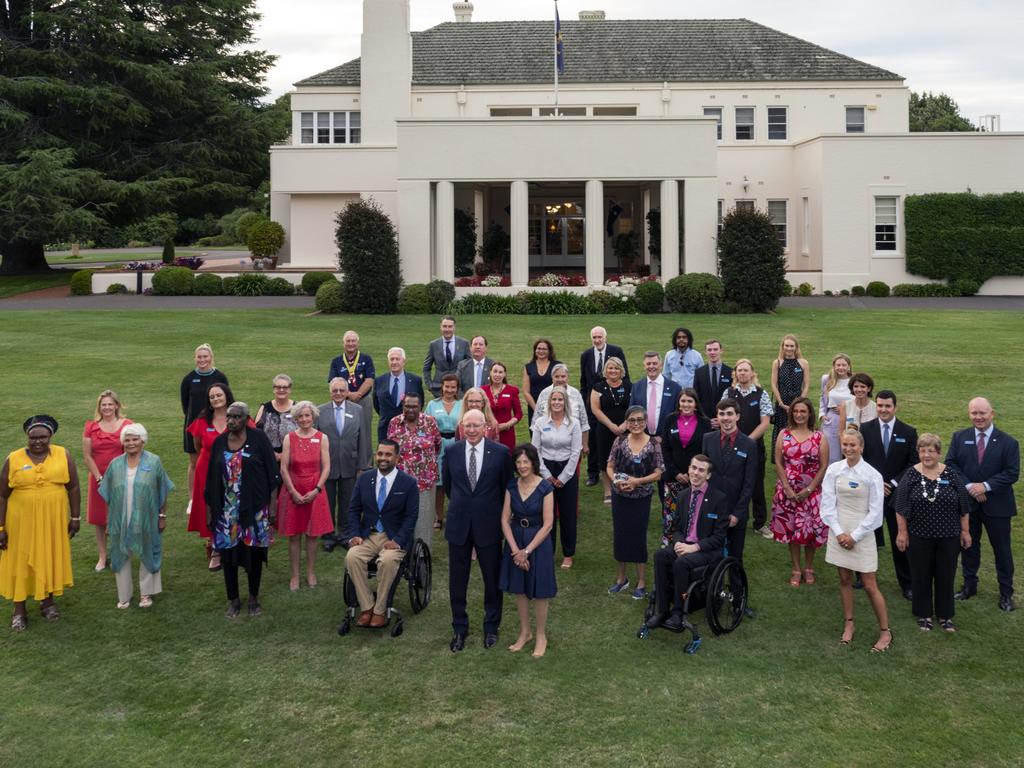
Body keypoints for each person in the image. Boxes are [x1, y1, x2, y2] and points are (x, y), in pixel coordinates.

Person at [0, 416, 80, 630]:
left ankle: (47, 603)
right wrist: (1, 527)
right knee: (21, 559)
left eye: (42, 437)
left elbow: (73, 486)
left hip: (52, 519)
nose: (37, 441)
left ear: (50, 436)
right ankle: (19, 609)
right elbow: (2, 495)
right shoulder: (13, 459)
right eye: (32, 437)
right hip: (20, 522)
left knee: (49, 554)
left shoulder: (63, 455)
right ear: (27, 437)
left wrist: (75, 517)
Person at [443, 409, 513, 652]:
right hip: (459, 525)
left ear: (486, 427)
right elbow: (450, 486)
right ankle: (459, 628)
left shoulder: (501, 453)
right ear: (461, 427)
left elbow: (506, 487)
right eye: (468, 426)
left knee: (492, 580)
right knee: (457, 581)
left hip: (489, 526)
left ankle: (491, 627)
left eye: (477, 426)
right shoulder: (452, 451)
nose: (472, 430)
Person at [205, 402, 279, 618]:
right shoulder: (219, 443)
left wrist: (272, 507)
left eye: (236, 417)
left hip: (255, 509)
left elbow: (272, 476)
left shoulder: (259, 439)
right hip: (226, 512)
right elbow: (211, 481)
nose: (231, 421)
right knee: (228, 557)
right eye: (229, 417)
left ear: (246, 419)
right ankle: (234, 600)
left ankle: (254, 598)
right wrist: (210, 511)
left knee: (254, 555)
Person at [820, 427, 891, 652]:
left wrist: (855, 536)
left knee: (870, 584)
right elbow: (827, 505)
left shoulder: (872, 475)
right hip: (839, 530)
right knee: (843, 579)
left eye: (853, 445)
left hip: (863, 533)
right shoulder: (833, 470)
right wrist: (840, 532)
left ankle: (885, 632)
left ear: (861, 447)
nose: (848, 448)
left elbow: (876, 513)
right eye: (845, 444)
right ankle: (849, 624)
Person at [946, 397, 1019, 612]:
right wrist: (970, 486)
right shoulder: (960, 437)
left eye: (982, 413)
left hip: (998, 506)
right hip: (969, 505)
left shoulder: (1008, 442)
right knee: (969, 546)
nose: (978, 417)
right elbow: (951, 464)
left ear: (992, 413)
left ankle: (1006, 593)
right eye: (974, 413)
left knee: (1002, 551)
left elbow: (1012, 473)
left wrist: (985, 486)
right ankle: (969, 586)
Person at [894, 434, 972, 632]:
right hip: (919, 535)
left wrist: (965, 532)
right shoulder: (910, 475)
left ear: (939, 453)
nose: (926, 455)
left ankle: (945, 616)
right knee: (921, 575)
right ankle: (924, 614)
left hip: (949, 536)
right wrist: (902, 533)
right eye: (922, 450)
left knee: (946, 575)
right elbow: (900, 507)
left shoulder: (951, 475)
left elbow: (964, 506)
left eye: (931, 451)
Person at [647, 455, 729, 630]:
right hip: (685, 545)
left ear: (708, 475)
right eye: (693, 468)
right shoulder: (683, 495)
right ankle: (662, 611)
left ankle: (678, 613)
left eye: (701, 470)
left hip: (706, 550)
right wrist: (677, 543)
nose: (695, 473)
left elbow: (719, 538)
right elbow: (676, 528)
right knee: (660, 555)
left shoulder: (719, 499)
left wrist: (694, 547)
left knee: (681, 563)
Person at [98, 423, 173, 609]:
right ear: (123, 442)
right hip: (120, 518)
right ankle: (124, 596)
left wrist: (162, 515)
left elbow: (162, 490)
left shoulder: (153, 462)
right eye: (127, 440)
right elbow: (108, 495)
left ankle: (146, 594)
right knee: (120, 552)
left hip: (146, 517)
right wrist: (108, 521)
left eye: (135, 439)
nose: (131, 443)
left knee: (148, 549)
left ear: (142, 441)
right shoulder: (115, 465)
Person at [344, 440, 419, 628]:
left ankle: (380, 610)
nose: (383, 458)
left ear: (397, 458)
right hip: (368, 535)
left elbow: (411, 516)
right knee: (352, 557)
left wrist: (398, 540)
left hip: (393, 536)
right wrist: (354, 534)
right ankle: (367, 606)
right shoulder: (364, 479)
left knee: (386, 561)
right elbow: (353, 510)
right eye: (380, 454)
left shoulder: (408, 483)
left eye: (388, 455)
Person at [500, 443, 557, 657]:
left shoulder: (545, 488)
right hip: (515, 540)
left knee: (540, 590)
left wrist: (527, 551)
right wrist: (516, 551)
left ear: (533, 463)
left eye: (526, 462)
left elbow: (548, 524)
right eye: (518, 462)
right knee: (519, 589)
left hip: (538, 543)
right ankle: (525, 633)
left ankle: (541, 635)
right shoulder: (511, 486)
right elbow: (504, 520)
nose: (522, 466)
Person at [860, 390, 918, 597]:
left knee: (899, 539)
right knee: (867, 537)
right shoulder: (865, 429)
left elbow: (913, 463)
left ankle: (907, 582)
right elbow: (860, 460)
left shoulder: (908, 432)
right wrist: (876, 483)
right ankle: (863, 577)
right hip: (871, 494)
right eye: (880, 406)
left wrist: (892, 483)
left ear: (895, 407)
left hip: (897, 495)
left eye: (888, 406)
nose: (883, 410)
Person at [606, 405, 664, 600]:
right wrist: (616, 481)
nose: (636, 423)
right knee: (620, 534)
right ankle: (621, 579)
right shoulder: (619, 441)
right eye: (632, 420)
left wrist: (637, 482)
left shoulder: (654, 443)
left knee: (638, 536)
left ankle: (641, 581)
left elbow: (658, 473)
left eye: (640, 420)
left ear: (646, 422)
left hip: (642, 498)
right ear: (627, 422)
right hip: (620, 496)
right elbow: (610, 466)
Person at [770, 397, 829, 586]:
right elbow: (778, 461)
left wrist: (809, 489)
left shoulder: (819, 436)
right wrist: (786, 487)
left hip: (811, 492)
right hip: (787, 492)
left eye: (803, 411)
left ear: (810, 413)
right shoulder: (784, 434)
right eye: (795, 411)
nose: (799, 415)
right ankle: (796, 568)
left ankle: (809, 567)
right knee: (792, 530)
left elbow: (824, 465)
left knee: (810, 531)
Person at [279, 401, 333, 591]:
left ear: (313, 416)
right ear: (296, 418)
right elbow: (284, 467)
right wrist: (293, 491)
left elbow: (326, 467)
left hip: (314, 490)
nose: (304, 419)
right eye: (300, 416)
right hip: (293, 489)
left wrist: (317, 489)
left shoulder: (322, 438)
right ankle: (295, 575)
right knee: (294, 536)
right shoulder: (289, 438)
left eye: (307, 415)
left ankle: (310, 572)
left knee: (312, 535)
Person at [701, 398, 757, 568]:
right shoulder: (708, 439)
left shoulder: (749, 444)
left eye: (729, 414)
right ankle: (711, 592)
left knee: (734, 558)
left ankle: (736, 592)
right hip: (711, 509)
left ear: (737, 416)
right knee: (709, 556)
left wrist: (737, 514)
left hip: (735, 511)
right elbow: (704, 475)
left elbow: (749, 484)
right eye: (722, 414)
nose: (726, 418)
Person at [531, 387, 582, 569]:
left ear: (565, 402)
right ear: (549, 402)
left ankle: (568, 554)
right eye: (554, 399)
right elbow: (534, 450)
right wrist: (546, 475)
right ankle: (548, 551)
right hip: (545, 470)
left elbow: (576, 451)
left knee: (568, 515)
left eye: (560, 399)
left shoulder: (573, 423)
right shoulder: (540, 422)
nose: (557, 402)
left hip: (567, 469)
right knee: (547, 515)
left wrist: (564, 477)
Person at [187, 382, 236, 572]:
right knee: (211, 508)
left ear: (226, 395)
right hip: (206, 469)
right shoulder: (202, 421)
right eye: (212, 396)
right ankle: (215, 548)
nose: (216, 399)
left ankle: (232, 543)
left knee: (231, 506)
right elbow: (198, 446)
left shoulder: (238, 415)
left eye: (219, 395)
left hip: (233, 470)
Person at [82, 389, 132, 572]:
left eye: (110, 404)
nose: (107, 408)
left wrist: (117, 477)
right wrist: (99, 478)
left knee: (120, 517)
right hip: (98, 478)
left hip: (120, 478)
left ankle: (120, 553)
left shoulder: (127, 425)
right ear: (99, 408)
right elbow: (87, 456)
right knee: (99, 520)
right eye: (104, 405)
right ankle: (102, 557)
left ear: (117, 405)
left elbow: (131, 451)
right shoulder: (91, 427)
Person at [317, 378, 370, 552]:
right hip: (328, 464)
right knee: (328, 500)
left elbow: (363, 437)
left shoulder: (357, 410)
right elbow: (317, 440)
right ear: (330, 392)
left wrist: (363, 463)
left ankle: (346, 533)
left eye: (341, 390)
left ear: (347, 391)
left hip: (350, 462)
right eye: (335, 390)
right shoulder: (320, 411)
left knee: (348, 500)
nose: (338, 393)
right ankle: (329, 534)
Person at [387, 393, 442, 548]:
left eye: (414, 406)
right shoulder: (394, 422)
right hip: (400, 482)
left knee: (423, 522)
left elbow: (437, 445)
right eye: (407, 406)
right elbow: (390, 449)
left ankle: (423, 560)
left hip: (424, 482)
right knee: (401, 520)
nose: (410, 410)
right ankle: (400, 555)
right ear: (403, 406)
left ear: (420, 407)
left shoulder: (430, 422)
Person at [660, 388, 713, 547]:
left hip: (695, 478)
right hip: (673, 476)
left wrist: (692, 474)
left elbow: (706, 451)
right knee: (671, 511)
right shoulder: (670, 419)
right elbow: (665, 448)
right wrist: (675, 473)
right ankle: (668, 540)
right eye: (683, 401)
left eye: (690, 401)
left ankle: (689, 540)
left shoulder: (705, 422)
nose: (686, 404)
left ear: (696, 404)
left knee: (692, 512)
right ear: (679, 403)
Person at [726, 359, 773, 536]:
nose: (743, 373)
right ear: (735, 374)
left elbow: (765, 422)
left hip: (754, 448)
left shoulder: (762, 394)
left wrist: (746, 441)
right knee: (731, 483)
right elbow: (724, 418)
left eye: (746, 370)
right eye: (739, 370)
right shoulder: (728, 393)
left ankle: (760, 523)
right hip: (730, 446)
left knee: (756, 485)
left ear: (752, 373)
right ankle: (730, 518)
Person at [580, 326, 628, 486]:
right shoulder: (586, 355)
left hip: (614, 401)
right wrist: (585, 402)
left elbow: (625, 375)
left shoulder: (616, 351)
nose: (597, 340)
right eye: (594, 337)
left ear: (605, 337)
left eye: (600, 337)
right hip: (593, 403)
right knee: (594, 439)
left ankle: (621, 471)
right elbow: (584, 381)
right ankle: (593, 473)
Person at [180, 343, 229, 495]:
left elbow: (226, 400)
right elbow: (185, 405)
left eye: (205, 356)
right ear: (195, 358)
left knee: (219, 461)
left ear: (211, 358)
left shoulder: (219, 377)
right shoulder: (189, 379)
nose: (202, 360)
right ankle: (192, 497)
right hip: (194, 427)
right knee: (194, 463)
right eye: (199, 357)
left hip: (217, 425)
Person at [590, 357, 631, 504]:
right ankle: (608, 491)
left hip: (626, 430)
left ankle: (623, 486)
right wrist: (611, 425)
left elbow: (633, 408)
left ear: (621, 370)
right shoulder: (598, 387)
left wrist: (625, 425)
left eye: (616, 368)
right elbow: (595, 409)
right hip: (605, 429)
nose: (613, 371)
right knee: (605, 459)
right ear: (605, 370)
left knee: (624, 459)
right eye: (610, 368)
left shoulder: (629, 386)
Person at [328, 330, 376, 455]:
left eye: (353, 341)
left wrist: (358, 394)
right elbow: (333, 381)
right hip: (343, 401)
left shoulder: (366, 359)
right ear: (343, 344)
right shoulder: (336, 361)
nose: (351, 344)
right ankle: (348, 459)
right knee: (345, 430)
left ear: (358, 343)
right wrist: (349, 395)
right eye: (348, 341)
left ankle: (366, 464)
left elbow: (369, 380)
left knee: (365, 432)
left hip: (364, 400)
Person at [424, 373, 462, 531]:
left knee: (457, 483)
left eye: (453, 387)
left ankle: (457, 516)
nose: (449, 390)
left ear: (457, 388)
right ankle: (438, 517)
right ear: (442, 387)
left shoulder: (462, 404)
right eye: (447, 386)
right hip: (437, 446)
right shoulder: (433, 404)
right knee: (438, 484)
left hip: (457, 444)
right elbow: (426, 427)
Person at [372, 347, 424, 444]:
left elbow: (420, 403)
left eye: (397, 359)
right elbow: (376, 404)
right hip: (385, 429)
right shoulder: (379, 381)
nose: (394, 362)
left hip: (409, 428)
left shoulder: (415, 380)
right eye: (392, 359)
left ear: (404, 361)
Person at [769, 334, 809, 450]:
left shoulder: (803, 363)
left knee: (798, 428)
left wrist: (800, 402)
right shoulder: (777, 363)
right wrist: (781, 403)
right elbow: (773, 384)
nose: (789, 348)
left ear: (796, 347)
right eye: (786, 345)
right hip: (782, 404)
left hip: (798, 402)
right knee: (782, 431)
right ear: (783, 346)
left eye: (792, 346)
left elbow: (806, 385)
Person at [630, 351, 682, 440]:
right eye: (648, 364)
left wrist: (664, 437)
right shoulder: (636, 387)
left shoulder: (675, 388)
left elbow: (678, 416)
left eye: (655, 363)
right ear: (644, 366)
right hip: (642, 439)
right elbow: (632, 412)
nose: (651, 366)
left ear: (661, 365)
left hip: (667, 440)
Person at [423, 315, 470, 397]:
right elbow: (426, 367)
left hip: (459, 388)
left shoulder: (464, 343)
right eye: (444, 326)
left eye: (450, 326)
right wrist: (430, 385)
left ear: (454, 327)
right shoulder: (433, 345)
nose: (447, 329)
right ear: (440, 327)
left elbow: (470, 364)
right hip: (439, 388)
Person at [533, 363, 589, 431]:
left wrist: (584, 442)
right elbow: (535, 422)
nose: (560, 379)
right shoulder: (544, 393)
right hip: (548, 437)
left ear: (567, 377)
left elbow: (584, 423)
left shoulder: (576, 394)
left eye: (563, 376)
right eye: (556, 376)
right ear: (552, 378)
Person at [483, 360, 523, 452]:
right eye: (495, 371)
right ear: (490, 373)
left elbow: (518, 414)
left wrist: (507, 425)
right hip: (488, 432)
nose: (497, 375)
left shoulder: (512, 390)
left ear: (504, 374)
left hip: (506, 432)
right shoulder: (483, 390)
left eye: (500, 372)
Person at [819, 353, 852, 463]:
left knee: (849, 452)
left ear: (849, 366)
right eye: (838, 365)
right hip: (832, 420)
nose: (841, 368)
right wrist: (822, 414)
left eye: (844, 365)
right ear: (834, 366)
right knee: (832, 456)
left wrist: (845, 409)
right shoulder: (827, 379)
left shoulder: (854, 380)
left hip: (850, 420)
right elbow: (822, 398)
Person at [254, 374, 298, 457]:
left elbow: (305, 433)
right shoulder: (264, 408)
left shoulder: (297, 408)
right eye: (278, 387)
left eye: (285, 387)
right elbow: (256, 432)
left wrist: (283, 456)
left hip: (293, 457)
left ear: (290, 389)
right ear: (273, 389)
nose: (281, 390)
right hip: (268, 457)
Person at [693, 339, 733, 423]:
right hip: (705, 420)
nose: (712, 352)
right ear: (705, 352)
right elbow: (696, 398)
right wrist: (706, 419)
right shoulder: (699, 372)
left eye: (715, 349)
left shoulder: (730, 372)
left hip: (725, 419)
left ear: (721, 351)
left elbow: (732, 398)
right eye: (709, 350)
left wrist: (722, 418)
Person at [522, 338, 560, 425]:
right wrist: (536, 409)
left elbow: (561, 386)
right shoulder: (528, 367)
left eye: (544, 349)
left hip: (554, 406)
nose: (541, 351)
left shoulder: (557, 365)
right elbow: (526, 391)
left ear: (549, 351)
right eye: (539, 348)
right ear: (535, 350)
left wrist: (551, 408)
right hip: (534, 407)